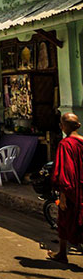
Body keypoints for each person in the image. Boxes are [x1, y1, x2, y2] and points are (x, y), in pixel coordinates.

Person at [48, 113, 83, 263]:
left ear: (63, 127)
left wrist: (63, 196)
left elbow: (65, 173)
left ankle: (62, 254)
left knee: (64, 221)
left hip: (72, 190)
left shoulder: (66, 144)